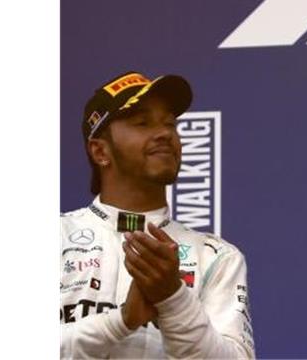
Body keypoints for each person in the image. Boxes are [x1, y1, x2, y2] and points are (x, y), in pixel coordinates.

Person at [61, 71, 255, 358]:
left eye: (170, 124)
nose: (165, 133)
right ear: (100, 151)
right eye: (142, 123)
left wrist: (173, 297)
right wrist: (122, 321)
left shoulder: (217, 257)